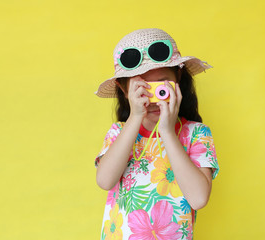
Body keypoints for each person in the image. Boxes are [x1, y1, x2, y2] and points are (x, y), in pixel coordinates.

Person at [94, 28, 219, 240]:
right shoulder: (118, 133)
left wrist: (168, 132)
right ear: (124, 90)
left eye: (161, 86)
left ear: (178, 78)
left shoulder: (196, 134)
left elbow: (198, 199)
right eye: (142, 89)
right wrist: (134, 118)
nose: (153, 99)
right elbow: (105, 180)